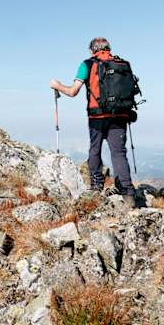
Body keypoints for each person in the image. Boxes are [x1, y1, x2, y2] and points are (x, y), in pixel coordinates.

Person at [49, 37, 136, 207]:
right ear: (108, 48)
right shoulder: (123, 64)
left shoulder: (87, 64)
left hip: (97, 116)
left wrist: (57, 85)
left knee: (95, 149)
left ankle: (96, 186)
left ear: (92, 50)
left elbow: (73, 91)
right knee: (118, 153)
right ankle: (128, 193)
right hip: (120, 115)